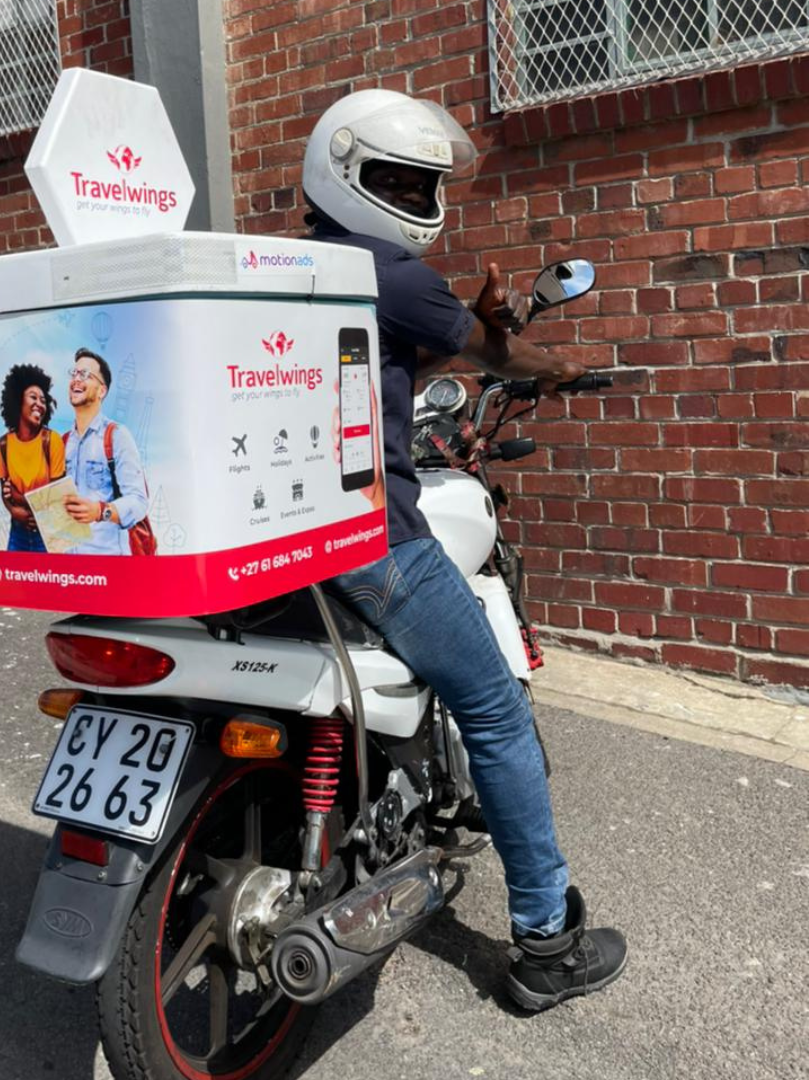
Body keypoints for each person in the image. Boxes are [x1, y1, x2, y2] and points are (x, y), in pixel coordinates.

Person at [304, 88, 627, 1011]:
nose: (417, 198)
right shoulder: (393, 272)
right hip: (373, 541)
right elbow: (500, 359)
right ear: (348, 170)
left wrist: (477, 331)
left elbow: (396, 358)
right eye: (401, 181)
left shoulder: (292, 265)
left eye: (423, 183)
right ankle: (546, 944)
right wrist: (553, 366)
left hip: (280, 539)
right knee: (495, 710)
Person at [62, 347, 150, 555]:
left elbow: (139, 501)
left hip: (109, 563)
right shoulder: (63, 442)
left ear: (102, 391)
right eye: (74, 373)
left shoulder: (117, 436)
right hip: (68, 566)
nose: (76, 379)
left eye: (85, 374)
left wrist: (100, 511)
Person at [0, 364, 65, 553]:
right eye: (33, 397)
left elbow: (55, 497)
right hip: (17, 533)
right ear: (18, 400)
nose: (39, 404)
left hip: (48, 533)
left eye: (43, 400)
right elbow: (5, 491)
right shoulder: (3, 445)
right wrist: (13, 511)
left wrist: (18, 497)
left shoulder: (52, 441)